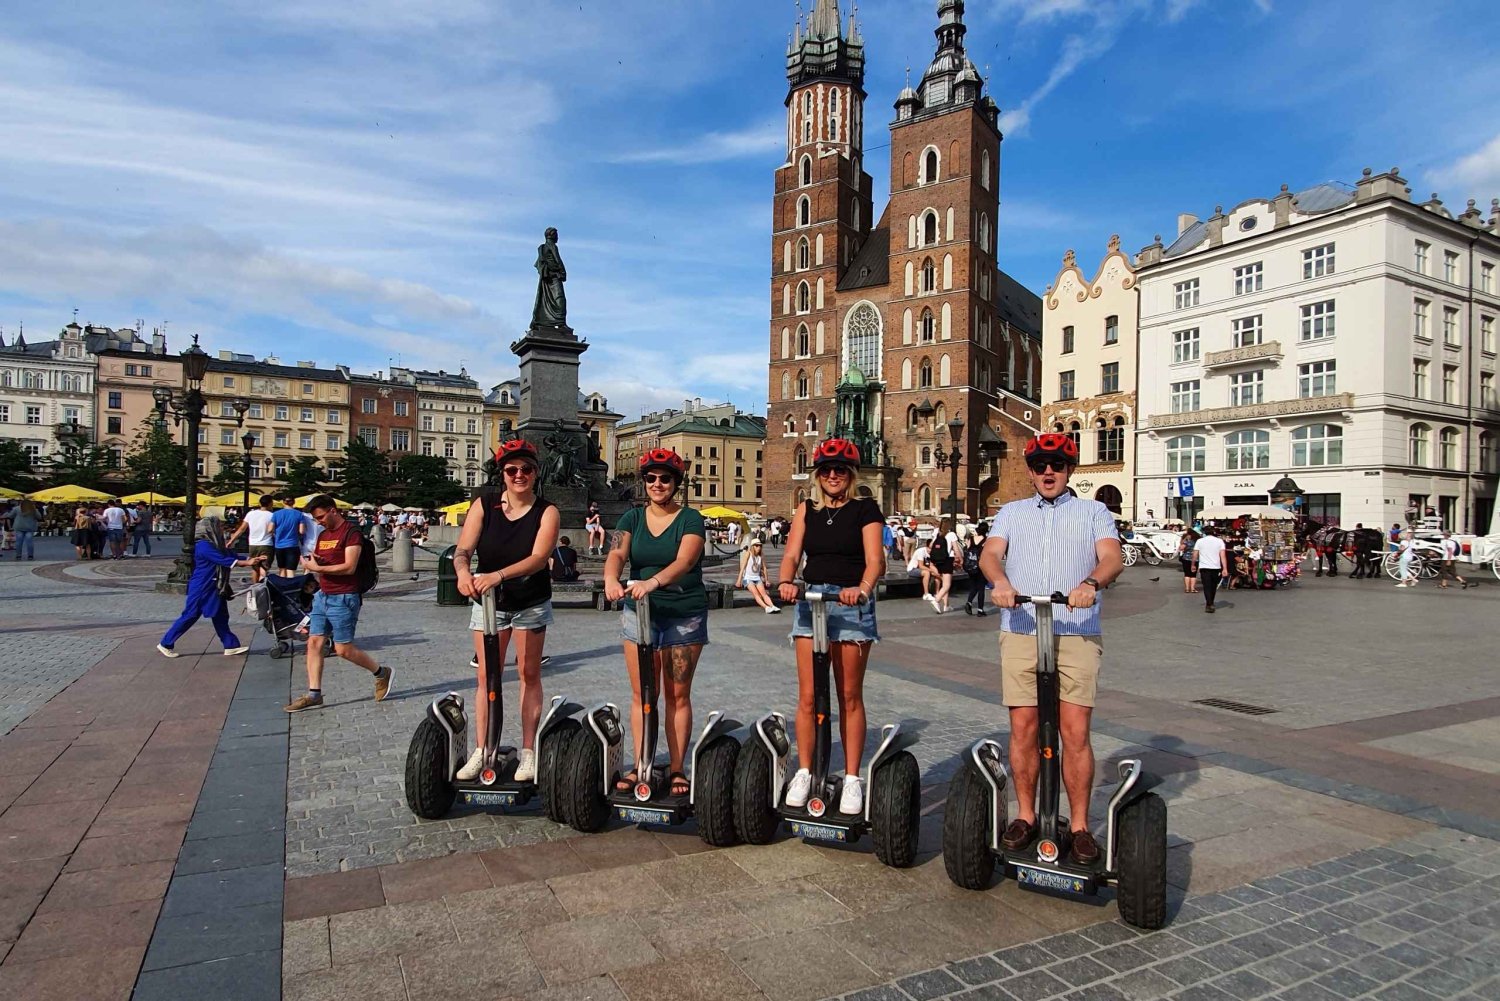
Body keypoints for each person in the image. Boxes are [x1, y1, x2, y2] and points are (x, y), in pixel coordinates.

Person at [979, 433, 1123, 865]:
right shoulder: (1012, 512)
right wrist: (1000, 582)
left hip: (1076, 628)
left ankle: (1078, 824)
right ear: (1029, 470)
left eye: (1057, 464)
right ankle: (1025, 814)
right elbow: (990, 554)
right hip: (1023, 627)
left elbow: (1112, 557)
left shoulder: (1093, 511)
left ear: (1069, 470)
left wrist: (1090, 584)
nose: (1048, 471)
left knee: (1074, 731)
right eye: (1040, 464)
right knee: (1023, 727)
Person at [777, 438, 884, 815]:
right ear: (817, 476)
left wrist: (863, 589)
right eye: (826, 470)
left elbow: (875, 560)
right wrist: (786, 581)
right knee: (808, 694)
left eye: (840, 470)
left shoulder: (865, 509)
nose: (833, 475)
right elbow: (792, 554)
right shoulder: (807, 510)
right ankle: (805, 770)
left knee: (849, 695)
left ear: (850, 474)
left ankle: (852, 778)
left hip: (851, 603)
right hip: (812, 603)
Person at [447, 440, 558, 779]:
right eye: (512, 470)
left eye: (526, 469)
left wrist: (497, 575)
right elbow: (463, 550)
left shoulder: (547, 511)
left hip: (529, 601)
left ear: (535, 473)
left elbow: (539, 558)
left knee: (528, 674)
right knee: (487, 675)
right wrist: (463, 572)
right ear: (503, 474)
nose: (519, 475)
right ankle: (484, 749)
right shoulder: (484, 504)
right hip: (490, 603)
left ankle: (528, 752)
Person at [604, 448, 708, 797]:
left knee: (678, 694)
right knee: (643, 693)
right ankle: (642, 763)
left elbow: (686, 559)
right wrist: (610, 579)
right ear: (644, 482)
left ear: (676, 483)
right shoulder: (631, 519)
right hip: (640, 613)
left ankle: (677, 768)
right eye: (651, 478)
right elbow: (617, 552)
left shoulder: (690, 518)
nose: (658, 484)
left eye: (665, 478)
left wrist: (653, 582)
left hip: (682, 613)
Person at [284, 496, 393, 712]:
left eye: (321, 517)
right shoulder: (324, 535)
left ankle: (381, 672)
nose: (319, 522)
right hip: (323, 595)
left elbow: (349, 567)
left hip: (344, 597)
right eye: (316, 519)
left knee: (343, 649)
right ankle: (314, 694)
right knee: (314, 643)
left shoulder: (351, 534)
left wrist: (318, 569)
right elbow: (328, 559)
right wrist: (317, 562)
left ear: (333, 511)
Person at [158, 516, 265, 657]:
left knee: (220, 615)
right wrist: (246, 563)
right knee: (191, 614)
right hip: (202, 586)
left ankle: (230, 645)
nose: (222, 529)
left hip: (214, 585)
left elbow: (230, 554)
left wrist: (250, 559)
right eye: (219, 526)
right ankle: (166, 643)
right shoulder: (204, 545)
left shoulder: (214, 544)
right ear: (210, 529)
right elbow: (223, 559)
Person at [229, 495, 277, 583]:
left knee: (255, 567)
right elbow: (274, 531)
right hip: (267, 544)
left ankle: (254, 587)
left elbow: (242, 529)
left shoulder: (251, 514)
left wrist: (231, 540)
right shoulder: (272, 515)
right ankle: (262, 587)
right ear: (270, 503)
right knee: (264, 567)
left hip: (253, 544)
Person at [737, 538, 779, 613]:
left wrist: (766, 580)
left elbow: (765, 568)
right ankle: (766, 607)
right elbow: (742, 567)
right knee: (756, 594)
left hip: (757, 578)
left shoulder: (761, 556)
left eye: (760, 546)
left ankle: (772, 606)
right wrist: (739, 580)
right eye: (756, 546)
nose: (758, 547)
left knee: (764, 594)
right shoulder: (748, 553)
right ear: (752, 546)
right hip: (748, 578)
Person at [1192, 525, 1228, 613]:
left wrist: (1193, 564)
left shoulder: (1200, 541)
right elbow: (1223, 556)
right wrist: (1225, 568)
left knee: (1206, 586)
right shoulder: (1219, 541)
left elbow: (1195, 554)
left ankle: (1209, 603)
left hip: (1204, 566)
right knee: (1213, 586)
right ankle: (1210, 602)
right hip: (1216, 566)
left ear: (1204, 532)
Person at [271, 495, 305, 578]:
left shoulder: (276, 514)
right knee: (291, 570)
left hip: (279, 545)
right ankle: (291, 588)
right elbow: (301, 531)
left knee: (282, 569)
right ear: (294, 502)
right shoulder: (299, 514)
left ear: (283, 502)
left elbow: (270, 529)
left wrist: (276, 533)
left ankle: (282, 588)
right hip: (292, 545)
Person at [928, 519, 956, 614]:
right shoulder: (951, 534)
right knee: (947, 585)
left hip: (939, 561)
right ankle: (936, 600)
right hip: (948, 560)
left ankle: (946, 606)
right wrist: (961, 558)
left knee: (944, 584)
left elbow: (931, 545)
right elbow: (956, 548)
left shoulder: (937, 533)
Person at [961, 535, 988, 616]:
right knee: (981, 589)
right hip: (981, 566)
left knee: (974, 586)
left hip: (971, 566)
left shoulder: (971, 539)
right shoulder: (987, 540)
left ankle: (969, 603)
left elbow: (967, 549)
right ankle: (980, 610)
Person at [1178, 530, 1199, 594]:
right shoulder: (1197, 541)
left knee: (1187, 574)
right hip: (1196, 559)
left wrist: (1184, 540)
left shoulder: (1187, 541)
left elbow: (1181, 548)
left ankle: (1187, 588)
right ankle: (1192, 588)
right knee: (1193, 575)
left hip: (1186, 558)